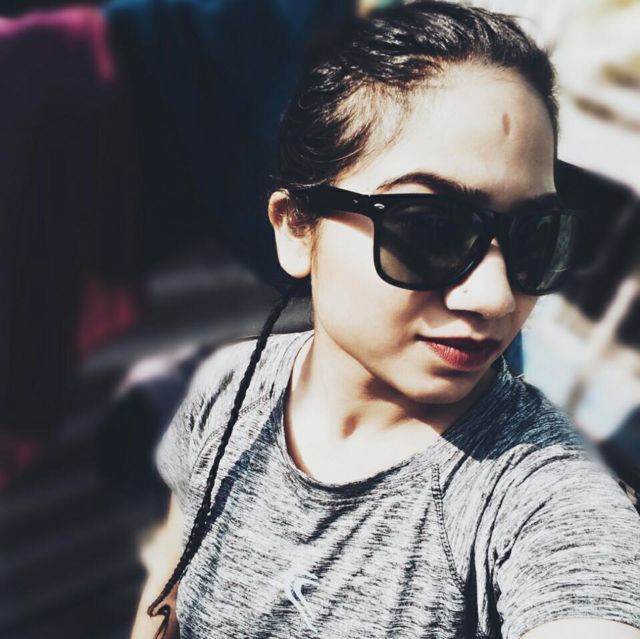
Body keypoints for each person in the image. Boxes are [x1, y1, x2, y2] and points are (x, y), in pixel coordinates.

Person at [131, 2, 640, 638]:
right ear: (295, 228)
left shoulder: (540, 492)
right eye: (428, 228)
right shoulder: (227, 391)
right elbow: (168, 594)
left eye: (535, 237)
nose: (495, 298)